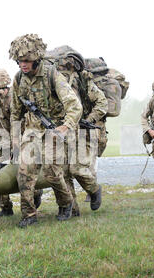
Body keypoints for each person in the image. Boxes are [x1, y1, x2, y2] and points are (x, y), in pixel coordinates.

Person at [9, 34, 82, 227]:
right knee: (24, 174)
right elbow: (15, 113)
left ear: (36, 59)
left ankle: (66, 203)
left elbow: (74, 105)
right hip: (31, 131)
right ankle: (29, 215)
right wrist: (15, 138)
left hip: (54, 130)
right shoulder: (18, 80)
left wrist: (65, 127)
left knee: (52, 173)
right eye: (20, 61)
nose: (23, 65)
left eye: (27, 60)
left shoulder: (52, 75)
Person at [54, 52, 107, 216]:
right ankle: (73, 208)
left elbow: (102, 103)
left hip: (85, 131)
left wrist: (89, 119)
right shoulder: (55, 82)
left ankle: (94, 189)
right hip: (65, 130)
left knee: (77, 168)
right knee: (63, 171)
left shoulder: (84, 81)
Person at [0, 68, 43, 218]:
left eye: (2, 88)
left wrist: (17, 144)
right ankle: (5, 207)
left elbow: (20, 122)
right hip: (4, 139)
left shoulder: (15, 99)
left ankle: (35, 195)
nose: (0, 92)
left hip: (21, 138)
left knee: (24, 173)